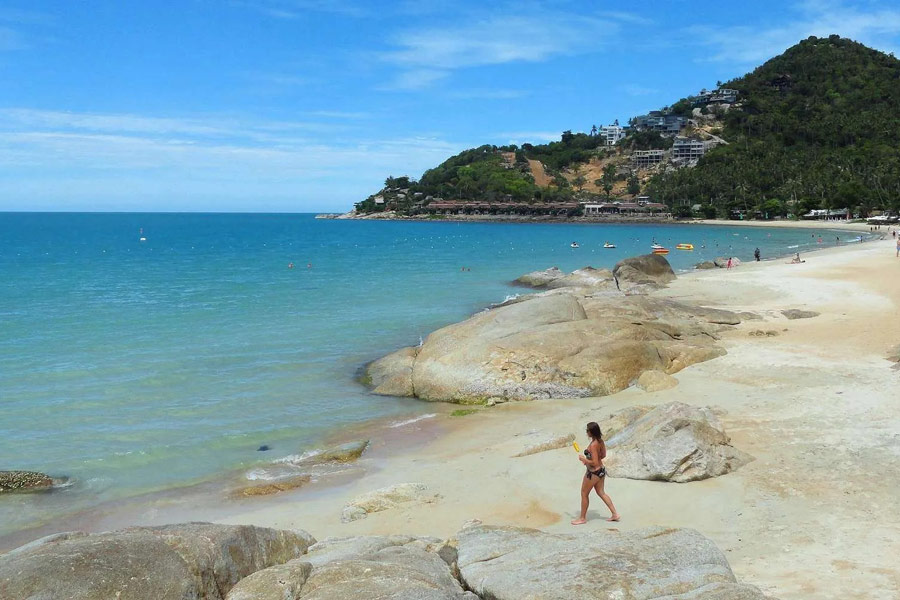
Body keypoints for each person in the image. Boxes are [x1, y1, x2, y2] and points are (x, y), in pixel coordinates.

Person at [571, 422, 619, 525]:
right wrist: (590, 459)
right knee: (601, 492)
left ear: (591, 432)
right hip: (601, 470)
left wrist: (585, 459)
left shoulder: (593, 445)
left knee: (584, 493)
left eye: (587, 430)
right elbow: (603, 455)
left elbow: (594, 462)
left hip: (593, 473)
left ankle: (582, 518)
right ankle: (615, 514)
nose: (586, 432)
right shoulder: (600, 441)